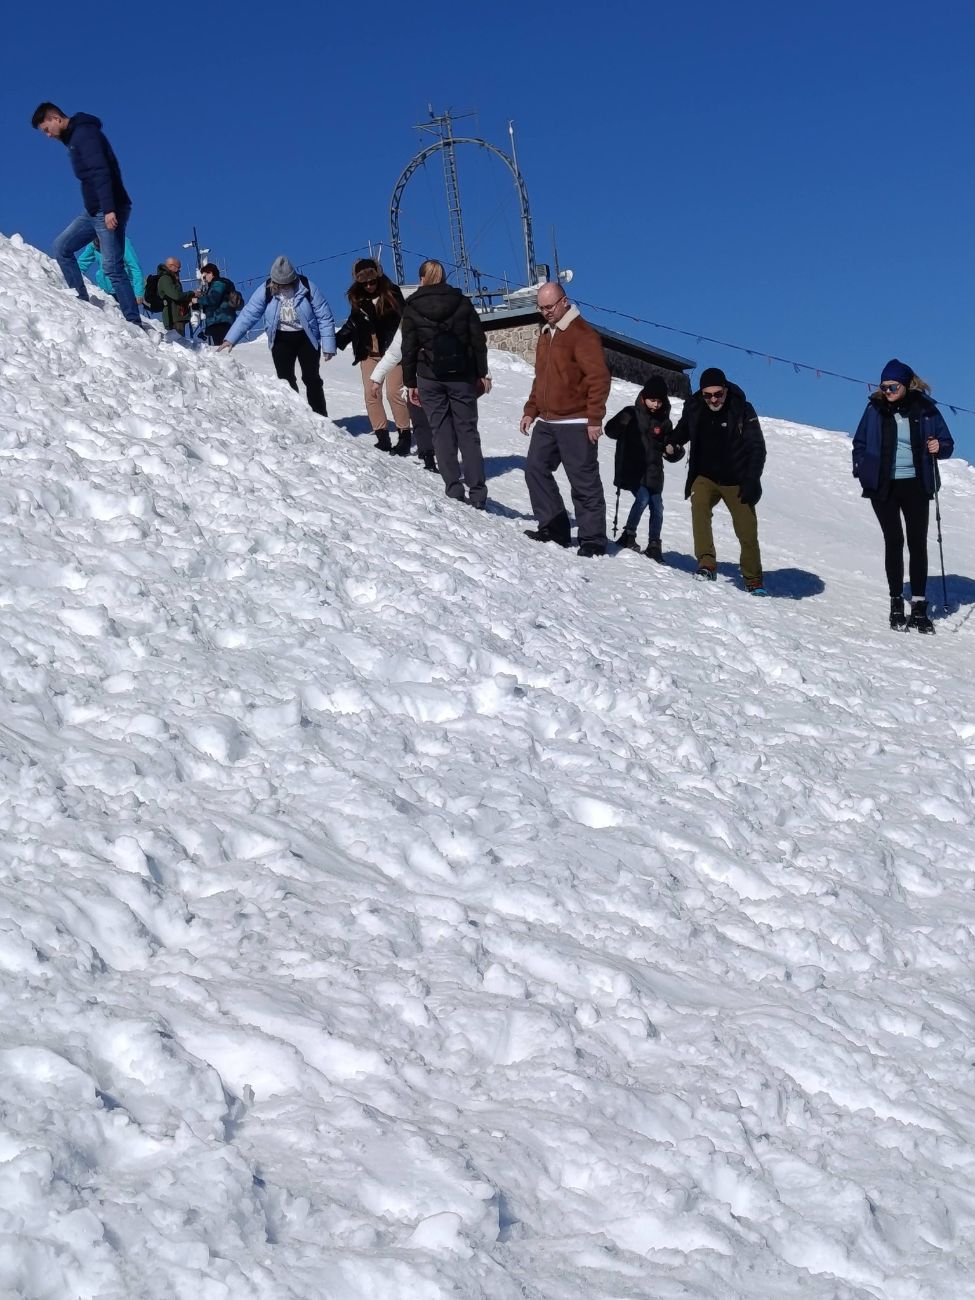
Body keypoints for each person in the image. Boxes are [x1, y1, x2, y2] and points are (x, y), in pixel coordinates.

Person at [852, 359, 954, 633]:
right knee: (894, 540)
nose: (887, 391)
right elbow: (859, 442)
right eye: (884, 386)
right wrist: (862, 468)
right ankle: (896, 602)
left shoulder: (926, 409)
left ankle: (919, 606)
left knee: (917, 542)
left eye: (892, 386)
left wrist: (938, 446)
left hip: (916, 482)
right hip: (883, 484)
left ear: (906, 384)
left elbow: (947, 443)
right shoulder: (874, 409)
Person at [520, 283, 611, 556]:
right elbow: (542, 379)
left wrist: (594, 418)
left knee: (583, 481)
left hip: (576, 421)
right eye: (541, 307)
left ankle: (593, 539)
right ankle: (555, 527)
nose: (545, 312)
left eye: (549, 306)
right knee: (535, 469)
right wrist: (530, 409)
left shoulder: (582, 334)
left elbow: (599, 378)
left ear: (564, 302)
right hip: (547, 421)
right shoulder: (546, 334)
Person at [31, 102, 142, 327]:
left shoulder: (85, 135)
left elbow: (101, 171)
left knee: (112, 267)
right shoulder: (73, 138)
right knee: (62, 247)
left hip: (108, 208)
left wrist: (110, 209)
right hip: (94, 211)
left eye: (46, 129)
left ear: (55, 117)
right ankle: (79, 299)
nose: (48, 136)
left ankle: (133, 321)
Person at [401, 260, 490, 509]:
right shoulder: (461, 302)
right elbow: (477, 340)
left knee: (440, 431)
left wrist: (410, 382)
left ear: (421, 278)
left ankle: (453, 487)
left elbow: (407, 348)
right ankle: (478, 493)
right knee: (468, 433)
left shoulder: (412, 306)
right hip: (462, 375)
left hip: (429, 375)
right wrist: (481, 373)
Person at [670, 366, 768, 593]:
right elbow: (682, 430)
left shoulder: (742, 409)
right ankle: (706, 564)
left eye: (717, 394)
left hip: (737, 479)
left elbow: (756, 447)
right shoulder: (695, 407)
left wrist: (752, 479)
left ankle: (753, 579)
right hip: (705, 475)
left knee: (747, 528)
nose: (713, 399)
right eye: (708, 395)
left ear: (725, 390)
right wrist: (672, 444)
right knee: (699, 507)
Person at [219, 256, 335, 417]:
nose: (283, 287)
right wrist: (230, 338)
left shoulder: (307, 287)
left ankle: (321, 416)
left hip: (306, 338)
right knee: (285, 381)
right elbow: (249, 314)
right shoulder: (266, 289)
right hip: (281, 339)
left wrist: (329, 346)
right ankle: (298, 417)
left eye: (286, 283)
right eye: (280, 284)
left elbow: (324, 316)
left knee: (312, 378)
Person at [336, 259, 411, 454]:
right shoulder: (357, 298)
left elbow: (407, 320)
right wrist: (336, 341)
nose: (369, 286)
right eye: (364, 283)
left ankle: (404, 435)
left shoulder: (392, 293)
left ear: (378, 278)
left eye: (372, 282)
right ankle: (382, 436)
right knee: (371, 393)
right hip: (368, 353)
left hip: (392, 352)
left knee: (394, 392)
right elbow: (353, 324)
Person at [605, 376, 683, 560]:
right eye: (652, 400)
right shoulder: (631, 414)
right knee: (643, 499)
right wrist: (620, 424)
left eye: (659, 401)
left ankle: (654, 543)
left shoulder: (664, 423)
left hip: (654, 474)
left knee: (658, 507)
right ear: (643, 398)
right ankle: (628, 534)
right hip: (633, 470)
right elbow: (610, 431)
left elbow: (671, 447)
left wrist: (674, 451)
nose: (655, 404)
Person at [370, 328, 438, 471]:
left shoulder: (448, 311)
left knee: (445, 420)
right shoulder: (409, 319)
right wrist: (377, 377)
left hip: (444, 376)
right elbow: (394, 353)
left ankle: (448, 459)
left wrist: (484, 372)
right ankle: (428, 456)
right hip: (416, 378)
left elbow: (469, 341)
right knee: (419, 417)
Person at [76, 234, 145, 304]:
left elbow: (134, 267)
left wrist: (138, 293)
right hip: (105, 291)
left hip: (124, 289)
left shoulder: (122, 242)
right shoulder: (93, 244)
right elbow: (83, 262)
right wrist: (72, 275)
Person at [194, 263, 237, 347]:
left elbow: (213, 299)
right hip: (219, 321)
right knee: (221, 346)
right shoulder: (216, 285)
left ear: (210, 273)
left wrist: (198, 300)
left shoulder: (218, 284)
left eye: (204, 276)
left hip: (220, 321)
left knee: (222, 347)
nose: (204, 280)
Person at [155, 257, 195, 335]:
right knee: (178, 343)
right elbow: (176, 295)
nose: (179, 271)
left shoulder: (171, 278)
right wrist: (191, 293)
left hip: (178, 316)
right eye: (178, 268)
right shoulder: (165, 279)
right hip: (173, 318)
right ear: (170, 266)